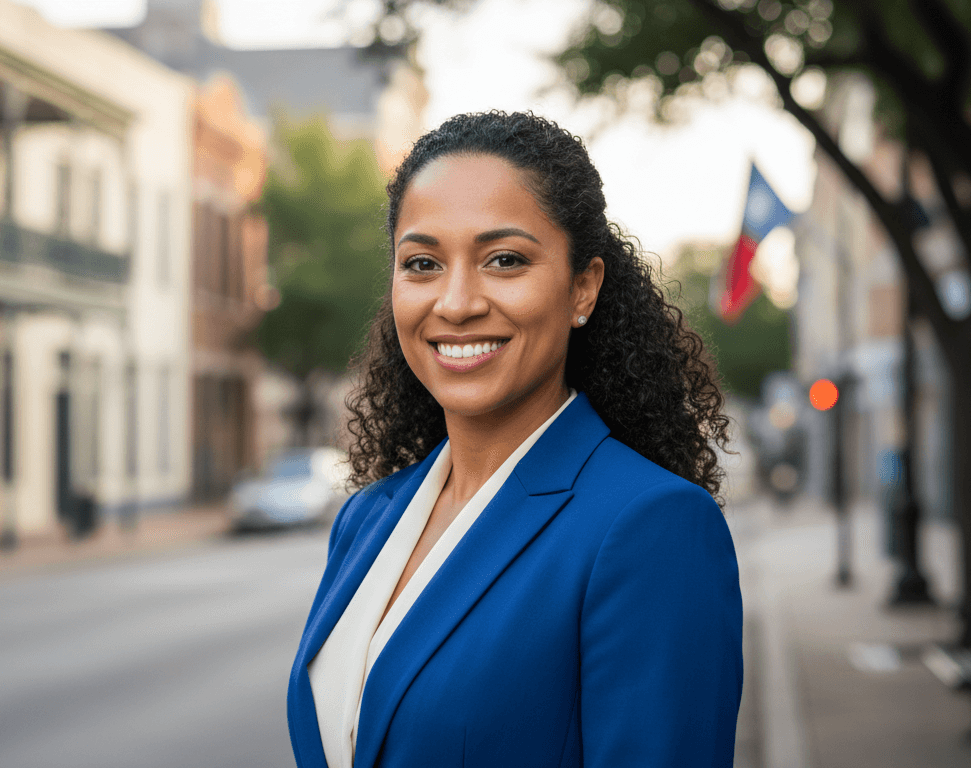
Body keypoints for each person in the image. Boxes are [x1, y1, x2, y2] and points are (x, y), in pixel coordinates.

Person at [287, 111, 742, 768]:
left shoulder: (651, 527)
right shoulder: (367, 518)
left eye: (504, 260)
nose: (457, 301)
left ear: (582, 288)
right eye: (422, 262)